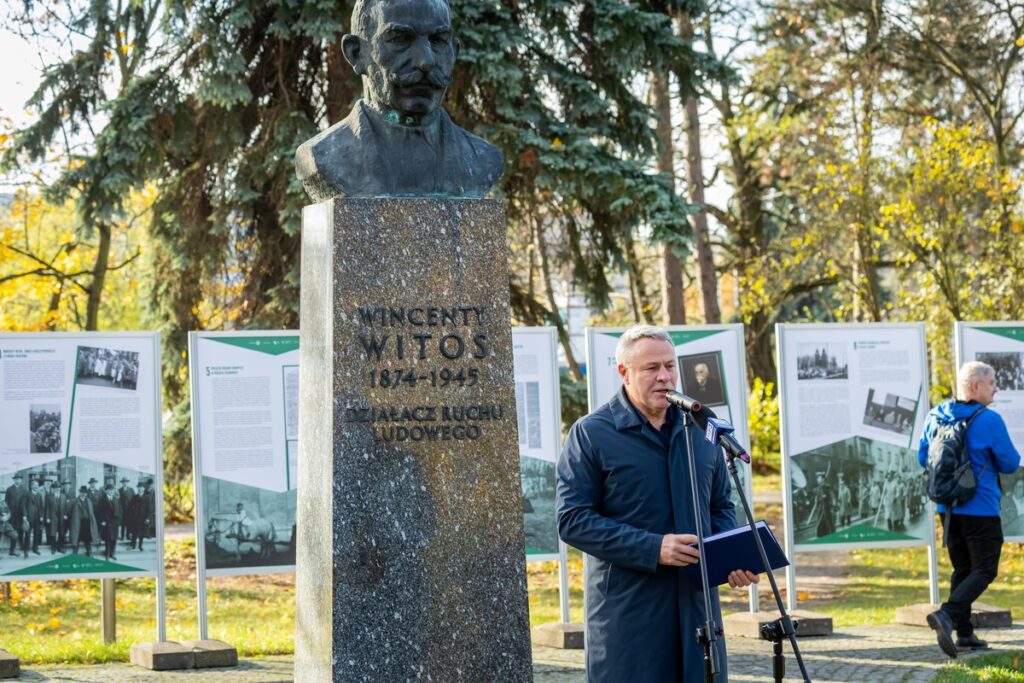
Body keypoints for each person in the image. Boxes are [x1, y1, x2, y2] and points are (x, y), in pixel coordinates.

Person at [556, 325, 758, 683]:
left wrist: (729, 555)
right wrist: (654, 548)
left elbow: (720, 505)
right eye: (651, 368)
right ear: (624, 372)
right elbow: (573, 520)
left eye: (669, 365)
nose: (664, 376)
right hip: (630, 616)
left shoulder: (701, 428)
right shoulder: (591, 434)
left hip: (699, 611)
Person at [295, 0, 504, 200]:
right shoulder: (324, 155)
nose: (426, 61)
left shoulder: (483, 159)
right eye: (400, 38)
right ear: (356, 53)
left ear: (454, 52)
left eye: (438, 40)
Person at [919, 361, 1021, 657]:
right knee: (985, 569)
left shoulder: (936, 414)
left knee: (963, 568)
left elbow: (922, 457)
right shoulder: (989, 420)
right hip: (981, 507)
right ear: (975, 386)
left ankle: (964, 633)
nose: (996, 388)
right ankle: (947, 614)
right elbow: (1011, 463)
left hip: (947, 508)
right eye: (991, 383)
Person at [95, 485, 122, 561]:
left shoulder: (116, 499)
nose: (111, 491)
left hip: (115, 523)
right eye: (109, 490)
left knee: (114, 539)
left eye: (112, 490)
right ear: (106, 491)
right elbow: (99, 512)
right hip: (106, 523)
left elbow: (120, 510)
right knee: (108, 539)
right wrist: (102, 521)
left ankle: (112, 554)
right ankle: (107, 554)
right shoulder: (102, 500)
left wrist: (119, 520)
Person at [70, 486, 99, 557]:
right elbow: (69, 511)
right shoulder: (74, 501)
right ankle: (75, 551)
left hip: (87, 522)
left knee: (87, 537)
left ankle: (89, 551)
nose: (84, 494)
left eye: (85, 493)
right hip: (77, 522)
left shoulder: (89, 501)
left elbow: (92, 512)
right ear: (80, 493)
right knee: (77, 537)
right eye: (82, 492)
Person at [4, 473, 28, 557]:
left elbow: (25, 504)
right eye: (16, 479)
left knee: (20, 531)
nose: (18, 480)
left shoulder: (24, 490)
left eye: (19, 479)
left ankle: (21, 546)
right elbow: (6, 502)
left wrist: (25, 515)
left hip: (20, 514)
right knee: (12, 531)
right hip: (11, 515)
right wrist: (6, 514)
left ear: (21, 480)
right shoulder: (9, 489)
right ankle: (12, 549)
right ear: (14, 480)